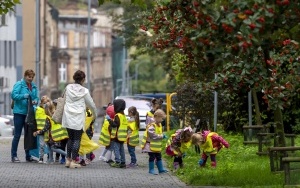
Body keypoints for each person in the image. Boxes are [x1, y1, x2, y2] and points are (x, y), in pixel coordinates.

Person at [62, 70, 97, 169]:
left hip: (68, 116)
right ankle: (73, 161)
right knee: (77, 139)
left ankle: (68, 160)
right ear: (83, 79)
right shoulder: (84, 91)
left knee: (70, 138)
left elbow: (62, 98)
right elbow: (91, 104)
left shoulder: (68, 87)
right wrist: (94, 114)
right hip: (78, 118)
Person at [11, 69, 39, 162]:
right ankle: (14, 155)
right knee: (17, 135)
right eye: (29, 76)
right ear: (25, 76)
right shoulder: (19, 84)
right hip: (19, 113)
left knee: (28, 135)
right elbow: (13, 95)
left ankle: (28, 156)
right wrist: (23, 96)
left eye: (32, 77)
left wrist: (35, 101)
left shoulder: (33, 86)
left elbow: (36, 97)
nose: (30, 78)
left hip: (29, 113)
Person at [141, 109, 168, 175]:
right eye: (161, 118)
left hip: (156, 146)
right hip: (150, 146)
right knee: (152, 157)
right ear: (157, 117)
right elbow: (153, 135)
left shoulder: (159, 125)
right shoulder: (152, 126)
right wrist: (161, 136)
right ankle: (151, 169)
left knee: (159, 156)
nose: (162, 120)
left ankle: (160, 169)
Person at [106, 99, 128, 168]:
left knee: (116, 149)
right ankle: (123, 162)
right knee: (122, 150)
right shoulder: (124, 116)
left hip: (116, 136)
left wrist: (109, 120)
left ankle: (117, 162)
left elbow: (115, 124)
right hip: (122, 136)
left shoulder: (117, 116)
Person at [35, 96, 51, 163]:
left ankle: (49, 157)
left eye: (47, 103)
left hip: (48, 130)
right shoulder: (38, 110)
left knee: (49, 144)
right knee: (41, 144)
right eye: (44, 103)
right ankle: (41, 157)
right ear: (41, 103)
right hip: (41, 130)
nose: (45, 104)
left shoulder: (49, 110)